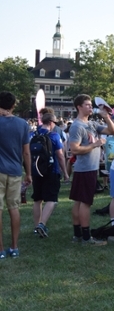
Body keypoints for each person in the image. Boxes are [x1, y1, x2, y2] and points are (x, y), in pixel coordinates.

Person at [68, 94, 114, 245]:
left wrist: (106, 117)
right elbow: (74, 150)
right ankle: (86, 237)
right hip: (85, 169)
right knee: (85, 203)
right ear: (79, 107)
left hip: (89, 168)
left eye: (91, 105)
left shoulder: (92, 124)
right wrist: (94, 145)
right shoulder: (77, 126)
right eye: (87, 105)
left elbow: (113, 132)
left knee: (79, 202)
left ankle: (77, 235)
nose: (91, 107)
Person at [0, 92, 31, 257]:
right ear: (13, 105)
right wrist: (29, 173)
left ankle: (0, 250)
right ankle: (14, 246)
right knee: (14, 208)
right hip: (15, 171)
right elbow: (26, 153)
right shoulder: (22, 124)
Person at [32, 113, 69, 238]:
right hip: (51, 170)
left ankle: (36, 225)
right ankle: (42, 224)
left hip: (36, 170)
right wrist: (65, 172)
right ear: (52, 122)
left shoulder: (33, 134)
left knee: (37, 199)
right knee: (51, 199)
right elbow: (60, 155)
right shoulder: (54, 135)